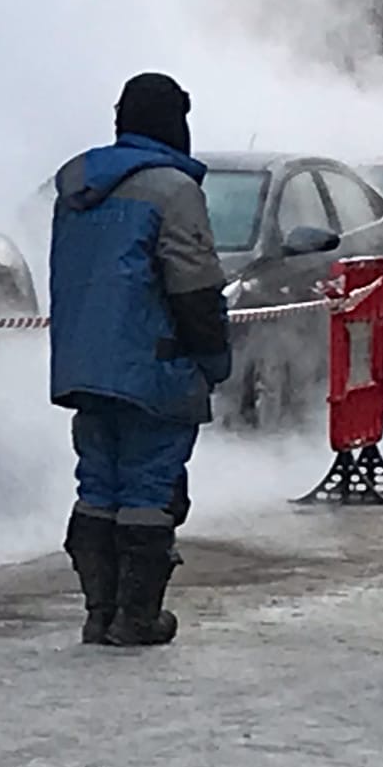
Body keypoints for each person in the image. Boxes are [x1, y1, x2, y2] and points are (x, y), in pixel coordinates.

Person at [50, 73, 233, 649]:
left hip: (85, 365)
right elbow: (193, 286)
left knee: (97, 485)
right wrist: (212, 357)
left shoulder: (79, 191)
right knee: (151, 488)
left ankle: (98, 612)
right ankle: (137, 617)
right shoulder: (173, 190)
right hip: (155, 363)